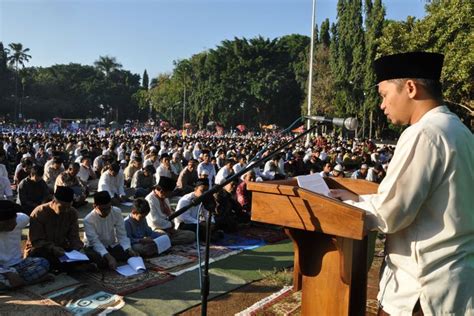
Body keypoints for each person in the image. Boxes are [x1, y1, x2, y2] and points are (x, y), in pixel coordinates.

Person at [331, 52, 474, 315]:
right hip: (456, 284)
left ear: (410, 88)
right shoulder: (461, 131)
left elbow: (391, 212)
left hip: (422, 290)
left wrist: (348, 203)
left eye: (384, 95)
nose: (382, 105)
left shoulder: (424, 133)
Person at [25, 186, 92, 272]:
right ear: (54, 201)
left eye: (69, 207)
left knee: (90, 255)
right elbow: (36, 241)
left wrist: (76, 249)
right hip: (42, 249)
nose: (66, 210)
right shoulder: (39, 213)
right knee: (44, 260)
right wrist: (52, 248)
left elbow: (74, 236)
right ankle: (71, 267)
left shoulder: (72, 212)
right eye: (63, 207)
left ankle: (72, 266)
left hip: (61, 249)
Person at [0, 200, 52, 290]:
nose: (13, 225)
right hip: (1, 269)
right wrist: (7, 273)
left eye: (13, 221)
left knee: (43, 263)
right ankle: (28, 282)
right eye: (7, 224)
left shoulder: (22, 219)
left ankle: (15, 283)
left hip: (18, 264)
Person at [83, 191, 138, 270]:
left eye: (109, 208)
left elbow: (122, 234)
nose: (107, 212)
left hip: (111, 246)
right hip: (94, 248)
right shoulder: (88, 220)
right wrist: (109, 257)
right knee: (98, 259)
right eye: (103, 209)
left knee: (131, 252)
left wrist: (128, 249)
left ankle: (103, 262)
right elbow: (95, 242)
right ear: (94, 206)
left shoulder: (116, 211)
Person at [145, 177, 195, 245]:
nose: (169, 195)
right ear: (162, 191)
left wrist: (171, 226)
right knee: (165, 236)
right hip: (156, 229)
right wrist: (169, 225)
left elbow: (170, 215)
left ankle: (166, 243)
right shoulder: (149, 200)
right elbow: (154, 221)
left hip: (168, 228)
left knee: (191, 235)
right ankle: (165, 242)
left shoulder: (164, 198)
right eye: (169, 193)